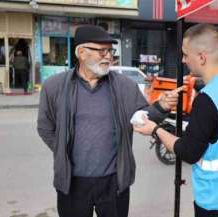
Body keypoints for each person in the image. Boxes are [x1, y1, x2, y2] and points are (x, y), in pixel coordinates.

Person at [37, 25, 181, 217]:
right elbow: (45, 127)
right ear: (81, 52)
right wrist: (63, 149)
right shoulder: (54, 87)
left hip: (114, 182)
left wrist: (161, 106)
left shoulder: (124, 86)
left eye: (110, 51)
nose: (109, 57)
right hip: (72, 183)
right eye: (102, 51)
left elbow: (141, 119)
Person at [134, 24, 218, 217]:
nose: (183, 59)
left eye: (186, 54)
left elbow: (188, 152)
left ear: (202, 57)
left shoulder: (208, 99)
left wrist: (156, 130)